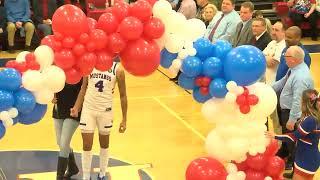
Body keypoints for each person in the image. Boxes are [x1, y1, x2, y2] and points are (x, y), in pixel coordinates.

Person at [72, 62, 128, 180]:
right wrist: (77, 107)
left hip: (105, 112)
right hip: (88, 110)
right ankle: (86, 176)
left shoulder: (117, 69)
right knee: (87, 144)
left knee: (104, 144)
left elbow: (123, 95)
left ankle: (102, 174)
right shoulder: (89, 64)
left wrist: (124, 119)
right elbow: (83, 88)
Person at [272, 45, 314, 176]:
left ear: (294, 59)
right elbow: (282, 82)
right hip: (288, 110)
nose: (284, 59)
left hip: (292, 112)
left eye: (286, 57)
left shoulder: (300, 77)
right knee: (287, 137)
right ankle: (285, 153)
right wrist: (266, 89)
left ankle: (294, 167)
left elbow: (298, 101)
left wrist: (292, 119)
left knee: (293, 141)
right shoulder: (294, 69)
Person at [266, 89, 320, 180]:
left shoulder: (310, 120)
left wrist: (275, 135)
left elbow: (293, 137)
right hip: (307, 156)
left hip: (306, 159)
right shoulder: (312, 117)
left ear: (304, 102)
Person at [52, 81, 83, 179]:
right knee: (60, 142)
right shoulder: (58, 70)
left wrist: (78, 107)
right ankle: (72, 167)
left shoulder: (81, 72)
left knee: (64, 144)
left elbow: (84, 90)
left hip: (74, 111)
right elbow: (51, 83)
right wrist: (51, 96)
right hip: (59, 109)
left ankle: (59, 176)